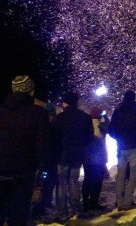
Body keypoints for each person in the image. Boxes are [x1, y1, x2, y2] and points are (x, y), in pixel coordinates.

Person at [0, 75, 52, 226]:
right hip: (23, 174)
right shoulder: (38, 113)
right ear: (31, 91)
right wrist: (43, 171)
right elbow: (43, 145)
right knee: (18, 215)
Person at [51, 91, 94, 221]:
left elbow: (53, 137)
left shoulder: (59, 118)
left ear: (65, 103)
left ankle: (62, 213)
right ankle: (76, 211)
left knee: (62, 184)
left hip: (62, 156)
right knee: (74, 182)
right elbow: (89, 137)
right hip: (77, 155)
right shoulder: (85, 117)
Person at [108, 90, 136, 211]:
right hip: (135, 147)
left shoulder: (118, 111)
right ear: (134, 98)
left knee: (121, 174)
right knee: (133, 175)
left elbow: (111, 129)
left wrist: (119, 138)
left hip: (122, 148)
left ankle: (119, 201)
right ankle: (127, 201)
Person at [82, 107, 109, 214]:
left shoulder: (85, 123)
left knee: (87, 180)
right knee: (97, 181)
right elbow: (107, 128)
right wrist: (104, 117)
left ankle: (85, 203)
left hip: (87, 157)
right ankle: (94, 202)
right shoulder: (100, 124)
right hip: (98, 158)